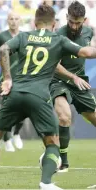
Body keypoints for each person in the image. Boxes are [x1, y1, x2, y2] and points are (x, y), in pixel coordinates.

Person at [0, 4, 96, 189]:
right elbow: (86, 52)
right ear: (54, 23)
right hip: (38, 96)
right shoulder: (58, 39)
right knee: (52, 142)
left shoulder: (23, 36)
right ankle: (46, 182)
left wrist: (7, 77)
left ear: (34, 22)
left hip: (15, 93)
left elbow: (3, 49)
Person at [50, 1, 96, 173]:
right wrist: (72, 76)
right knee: (64, 117)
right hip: (59, 81)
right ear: (66, 17)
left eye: (78, 22)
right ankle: (64, 161)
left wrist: (77, 77)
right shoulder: (57, 35)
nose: (74, 26)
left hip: (80, 82)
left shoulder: (89, 32)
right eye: (71, 21)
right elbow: (55, 65)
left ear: (85, 20)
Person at [0, 11, 24, 151]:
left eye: (16, 18)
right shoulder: (1, 36)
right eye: (11, 19)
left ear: (21, 21)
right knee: (6, 109)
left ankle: (17, 133)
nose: (13, 21)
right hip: (5, 78)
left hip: (21, 77)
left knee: (23, 108)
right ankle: (6, 139)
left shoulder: (24, 36)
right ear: (7, 21)